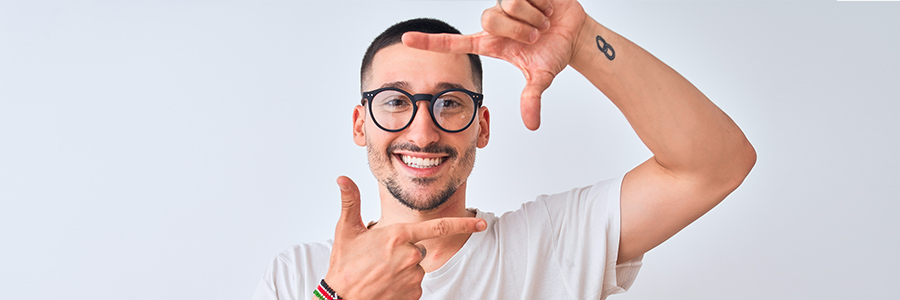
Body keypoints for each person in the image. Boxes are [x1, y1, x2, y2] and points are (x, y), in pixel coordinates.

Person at [253, 0, 756, 299]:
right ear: (361, 124)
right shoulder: (300, 274)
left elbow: (714, 165)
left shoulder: (552, 246)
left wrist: (582, 40)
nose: (423, 132)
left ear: (483, 126)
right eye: (395, 101)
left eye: (449, 103)